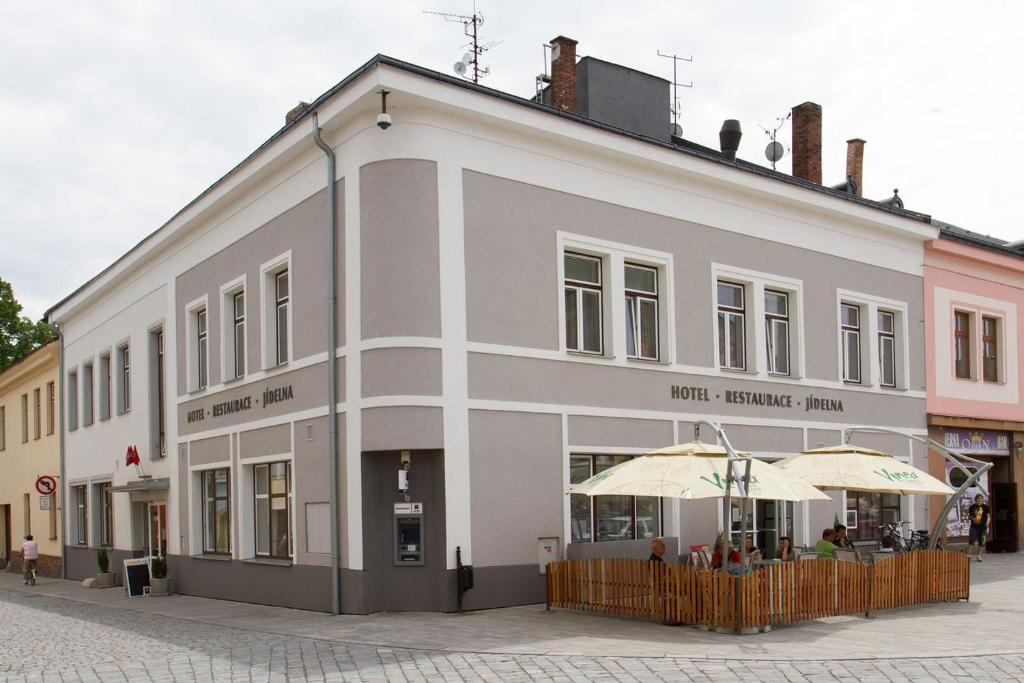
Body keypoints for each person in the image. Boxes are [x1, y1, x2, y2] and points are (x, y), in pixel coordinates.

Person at [967, 493, 990, 563]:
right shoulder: (972, 507)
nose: (979, 500)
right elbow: (969, 516)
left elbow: (988, 516)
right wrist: (973, 519)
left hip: (983, 527)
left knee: (982, 542)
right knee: (971, 541)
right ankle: (968, 556)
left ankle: (979, 556)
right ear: (975, 500)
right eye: (978, 499)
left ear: (982, 499)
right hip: (974, 527)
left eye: (981, 499)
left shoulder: (986, 507)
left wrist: (988, 523)